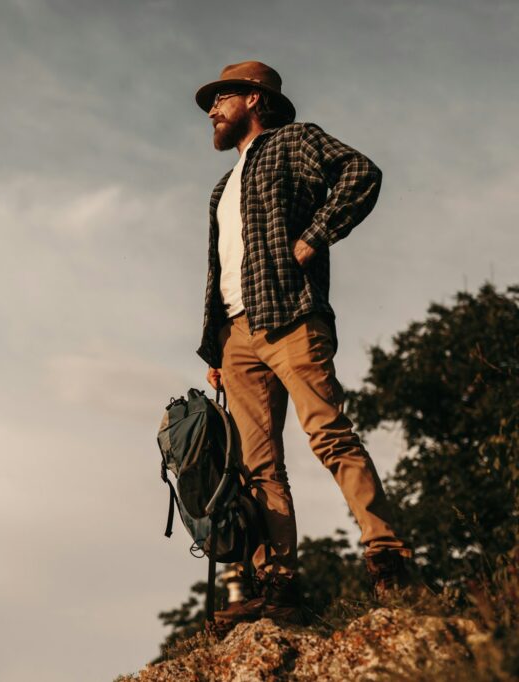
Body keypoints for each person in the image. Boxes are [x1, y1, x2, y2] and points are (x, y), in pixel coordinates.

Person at [192, 61, 413, 628]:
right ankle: (278, 586)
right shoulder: (221, 186)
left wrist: (315, 237)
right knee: (255, 468)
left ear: (254, 100)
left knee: (329, 433)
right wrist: (216, 345)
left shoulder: (295, 141)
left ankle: (388, 558)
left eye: (222, 98)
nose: (212, 109)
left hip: (290, 315)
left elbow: (362, 173)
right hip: (235, 336)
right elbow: (221, 268)